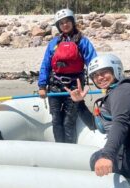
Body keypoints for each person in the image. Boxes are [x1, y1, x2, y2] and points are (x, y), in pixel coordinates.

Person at [38, 8, 97, 143]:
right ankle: (60, 148)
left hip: (74, 87)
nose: (65, 25)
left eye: (67, 22)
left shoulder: (83, 42)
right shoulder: (54, 43)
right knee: (56, 120)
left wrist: (100, 81)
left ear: (73, 22)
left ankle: (70, 149)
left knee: (68, 122)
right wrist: (42, 85)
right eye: (61, 23)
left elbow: (93, 62)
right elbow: (46, 64)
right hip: (55, 86)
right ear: (58, 26)